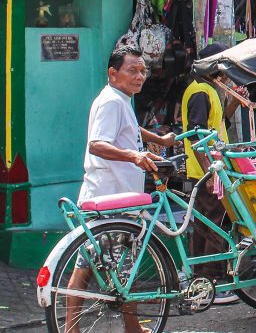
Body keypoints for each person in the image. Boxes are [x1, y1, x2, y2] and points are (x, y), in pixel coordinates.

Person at [67, 46, 176, 333]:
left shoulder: (121, 100)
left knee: (124, 269)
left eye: (143, 71)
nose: (140, 76)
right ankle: (69, 328)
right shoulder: (111, 102)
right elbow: (97, 144)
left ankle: (132, 327)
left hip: (122, 199)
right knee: (88, 263)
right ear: (112, 74)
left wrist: (160, 142)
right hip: (107, 198)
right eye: (133, 70)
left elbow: (130, 130)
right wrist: (135, 156)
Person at [181, 43, 242, 284]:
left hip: (211, 167)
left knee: (207, 222)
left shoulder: (208, 90)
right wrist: (210, 171)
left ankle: (202, 277)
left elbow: (217, 126)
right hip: (206, 169)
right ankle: (210, 279)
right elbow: (196, 134)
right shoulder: (200, 92)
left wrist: (235, 103)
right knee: (214, 222)